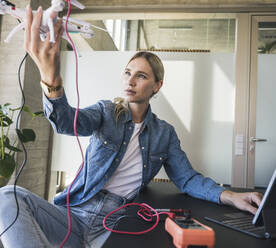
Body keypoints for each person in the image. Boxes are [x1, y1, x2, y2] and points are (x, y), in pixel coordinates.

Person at [0, 5, 263, 248]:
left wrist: (230, 196)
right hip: (74, 214)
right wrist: (52, 80)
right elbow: (66, 123)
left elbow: (187, 178)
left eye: (141, 76)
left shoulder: (165, 134)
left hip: (115, 222)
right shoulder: (105, 112)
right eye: (128, 72)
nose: (131, 80)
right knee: (7, 196)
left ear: (156, 86)